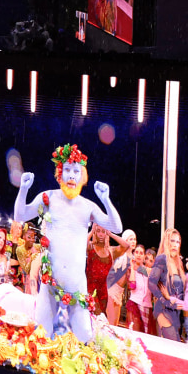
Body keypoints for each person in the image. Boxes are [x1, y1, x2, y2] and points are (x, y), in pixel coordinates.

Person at [13, 144, 122, 342]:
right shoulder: (49, 197)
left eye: (76, 172)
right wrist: (23, 190)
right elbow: (20, 214)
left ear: (83, 176)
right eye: (68, 171)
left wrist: (106, 200)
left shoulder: (88, 206)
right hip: (49, 281)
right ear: (60, 173)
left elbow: (116, 227)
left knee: (84, 338)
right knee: (41, 336)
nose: (72, 176)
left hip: (77, 285)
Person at [148, 228, 186, 342]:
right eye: (172, 241)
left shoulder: (178, 262)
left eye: (178, 242)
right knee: (174, 346)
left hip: (175, 312)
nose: (175, 245)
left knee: (174, 346)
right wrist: (165, 300)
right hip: (163, 309)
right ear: (166, 241)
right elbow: (151, 282)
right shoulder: (162, 258)